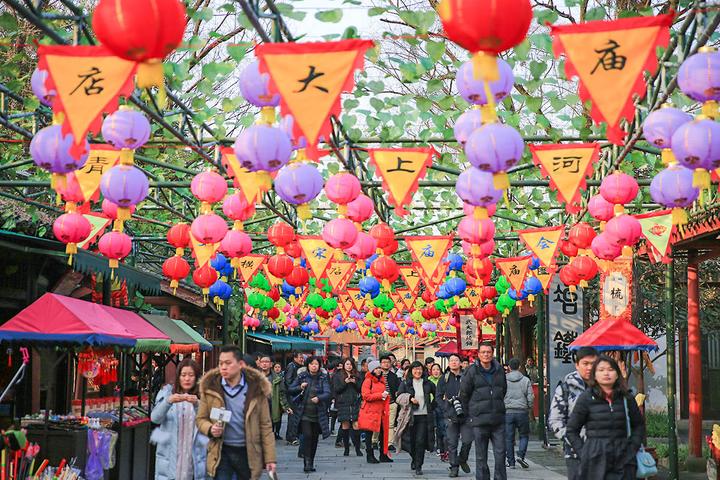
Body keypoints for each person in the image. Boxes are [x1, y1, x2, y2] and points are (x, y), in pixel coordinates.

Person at [196, 345, 276, 480]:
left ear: (240, 365)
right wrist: (210, 428)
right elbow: (200, 419)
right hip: (221, 451)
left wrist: (270, 459)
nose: (223, 367)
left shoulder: (256, 390)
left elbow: (266, 426)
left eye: (228, 363)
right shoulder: (211, 388)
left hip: (248, 452)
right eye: (221, 363)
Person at [566, 355, 645, 479]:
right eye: (601, 370)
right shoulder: (586, 398)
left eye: (610, 369)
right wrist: (584, 453)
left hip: (623, 457)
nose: (606, 373)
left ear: (617, 374)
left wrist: (632, 449)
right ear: (595, 375)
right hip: (595, 458)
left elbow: (639, 425)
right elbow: (571, 430)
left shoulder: (626, 398)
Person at [151, 357, 207, 480]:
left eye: (191, 375)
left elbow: (207, 425)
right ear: (178, 377)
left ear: (197, 378)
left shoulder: (203, 398)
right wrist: (168, 401)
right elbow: (155, 418)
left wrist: (197, 404)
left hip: (192, 462)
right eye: (183, 375)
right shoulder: (167, 393)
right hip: (169, 461)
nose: (187, 378)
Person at [548, 346, 598, 480]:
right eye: (585, 364)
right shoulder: (566, 388)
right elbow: (555, 420)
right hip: (575, 453)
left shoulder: (605, 387)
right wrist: (572, 440)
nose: (589, 368)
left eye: (592, 364)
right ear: (577, 365)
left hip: (602, 452)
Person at [459, 342, 507, 480]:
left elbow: (502, 390)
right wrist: (471, 415)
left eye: (488, 352)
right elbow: (464, 395)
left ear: (492, 354)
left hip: (498, 420)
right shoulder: (471, 371)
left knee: (500, 454)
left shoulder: (499, 370)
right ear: (478, 355)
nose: (486, 354)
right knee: (481, 457)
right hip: (479, 420)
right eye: (483, 352)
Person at [288, 356, 331, 473]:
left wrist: (319, 398)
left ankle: (311, 460)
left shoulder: (323, 377)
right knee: (307, 436)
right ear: (308, 365)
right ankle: (307, 462)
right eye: (311, 364)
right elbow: (290, 389)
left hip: (318, 414)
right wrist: (300, 387)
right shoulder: (302, 376)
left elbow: (328, 393)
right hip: (304, 413)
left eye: (316, 364)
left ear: (319, 365)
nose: (314, 366)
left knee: (314, 439)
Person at [398, 361, 436, 476]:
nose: (418, 371)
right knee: (410, 442)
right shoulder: (406, 384)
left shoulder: (428, 383)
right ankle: (414, 458)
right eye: (415, 369)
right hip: (410, 417)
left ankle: (419, 465)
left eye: (419, 369)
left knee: (420, 441)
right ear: (411, 371)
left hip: (424, 417)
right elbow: (398, 397)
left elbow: (437, 396)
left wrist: (432, 406)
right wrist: (409, 398)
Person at [438, 354, 472, 478]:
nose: (453, 362)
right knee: (452, 443)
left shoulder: (467, 377)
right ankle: (454, 467)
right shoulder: (444, 378)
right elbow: (438, 396)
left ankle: (462, 459)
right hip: (450, 415)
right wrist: (445, 408)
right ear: (448, 363)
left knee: (468, 440)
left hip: (466, 414)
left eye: (456, 360)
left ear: (461, 363)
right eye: (451, 360)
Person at [358, 360, 392, 464]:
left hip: (380, 411)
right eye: (376, 368)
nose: (378, 370)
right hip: (370, 411)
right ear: (372, 370)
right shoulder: (368, 380)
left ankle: (383, 454)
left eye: (379, 368)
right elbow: (366, 396)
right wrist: (380, 395)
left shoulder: (381, 380)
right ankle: (370, 455)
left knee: (382, 432)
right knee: (369, 434)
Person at [504, 358, 534, 470]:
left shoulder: (504, 380)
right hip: (522, 411)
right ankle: (521, 456)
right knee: (524, 435)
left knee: (508, 438)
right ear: (520, 367)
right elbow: (530, 396)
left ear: (509, 368)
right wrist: (528, 406)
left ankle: (510, 462)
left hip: (508, 412)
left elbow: (500, 394)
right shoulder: (525, 380)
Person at [333, 357, 363, 456]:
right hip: (343, 403)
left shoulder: (357, 375)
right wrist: (345, 383)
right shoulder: (338, 376)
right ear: (343, 365)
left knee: (356, 425)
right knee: (345, 425)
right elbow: (336, 389)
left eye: (350, 364)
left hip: (355, 403)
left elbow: (360, 389)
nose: (349, 366)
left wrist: (354, 383)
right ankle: (346, 449)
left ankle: (358, 449)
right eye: (347, 364)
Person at [259, 356, 291, 440]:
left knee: (271, 423)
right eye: (262, 362)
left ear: (270, 364)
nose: (264, 364)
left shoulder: (277, 378)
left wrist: (286, 407)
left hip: (272, 404)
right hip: (258, 405)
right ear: (259, 364)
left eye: (266, 362)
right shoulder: (255, 377)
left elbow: (282, 393)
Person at [378, 353, 401, 453]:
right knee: (378, 423)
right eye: (384, 362)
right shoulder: (376, 375)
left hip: (391, 403)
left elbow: (397, 389)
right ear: (380, 364)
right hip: (378, 403)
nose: (386, 364)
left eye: (388, 362)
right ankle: (375, 441)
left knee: (391, 424)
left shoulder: (393, 376)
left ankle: (389, 443)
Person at [284, 352, 305, 445]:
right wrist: (298, 387)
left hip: (298, 395)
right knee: (293, 416)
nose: (302, 359)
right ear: (295, 358)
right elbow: (288, 382)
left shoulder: (298, 367)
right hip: (292, 395)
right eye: (300, 357)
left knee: (297, 416)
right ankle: (291, 437)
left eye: (302, 358)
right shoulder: (291, 367)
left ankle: (295, 435)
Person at [428, 363, 447, 458]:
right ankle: (432, 445)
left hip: (440, 406)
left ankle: (442, 448)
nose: (436, 371)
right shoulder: (427, 381)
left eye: (437, 369)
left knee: (441, 427)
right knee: (433, 428)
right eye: (434, 369)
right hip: (431, 406)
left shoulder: (444, 380)